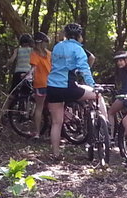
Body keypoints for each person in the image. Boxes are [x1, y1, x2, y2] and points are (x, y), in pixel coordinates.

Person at [45, 23, 107, 160]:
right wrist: (93, 84)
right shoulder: (78, 49)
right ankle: (105, 125)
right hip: (68, 87)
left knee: (56, 122)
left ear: (65, 35)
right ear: (79, 36)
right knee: (97, 95)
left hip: (52, 87)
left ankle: (55, 154)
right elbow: (85, 69)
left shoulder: (57, 46)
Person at [106, 51, 127, 144]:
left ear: (126, 60)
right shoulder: (121, 71)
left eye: (121, 60)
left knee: (110, 112)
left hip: (126, 96)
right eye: (118, 61)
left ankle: (110, 136)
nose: (119, 63)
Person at [28, 32, 52, 138]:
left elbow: (33, 68)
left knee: (39, 108)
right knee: (53, 108)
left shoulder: (34, 54)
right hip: (52, 83)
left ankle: (37, 133)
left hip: (40, 84)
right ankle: (55, 132)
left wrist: (27, 75)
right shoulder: (49, 54)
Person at [8, 33, 34, 101]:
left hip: (18, 73)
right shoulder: (32, 50)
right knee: (31, 91)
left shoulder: (17, 50)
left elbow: (11, 60)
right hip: (28, 73)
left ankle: (6, 109)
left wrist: (6, 65)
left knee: (12, 93)